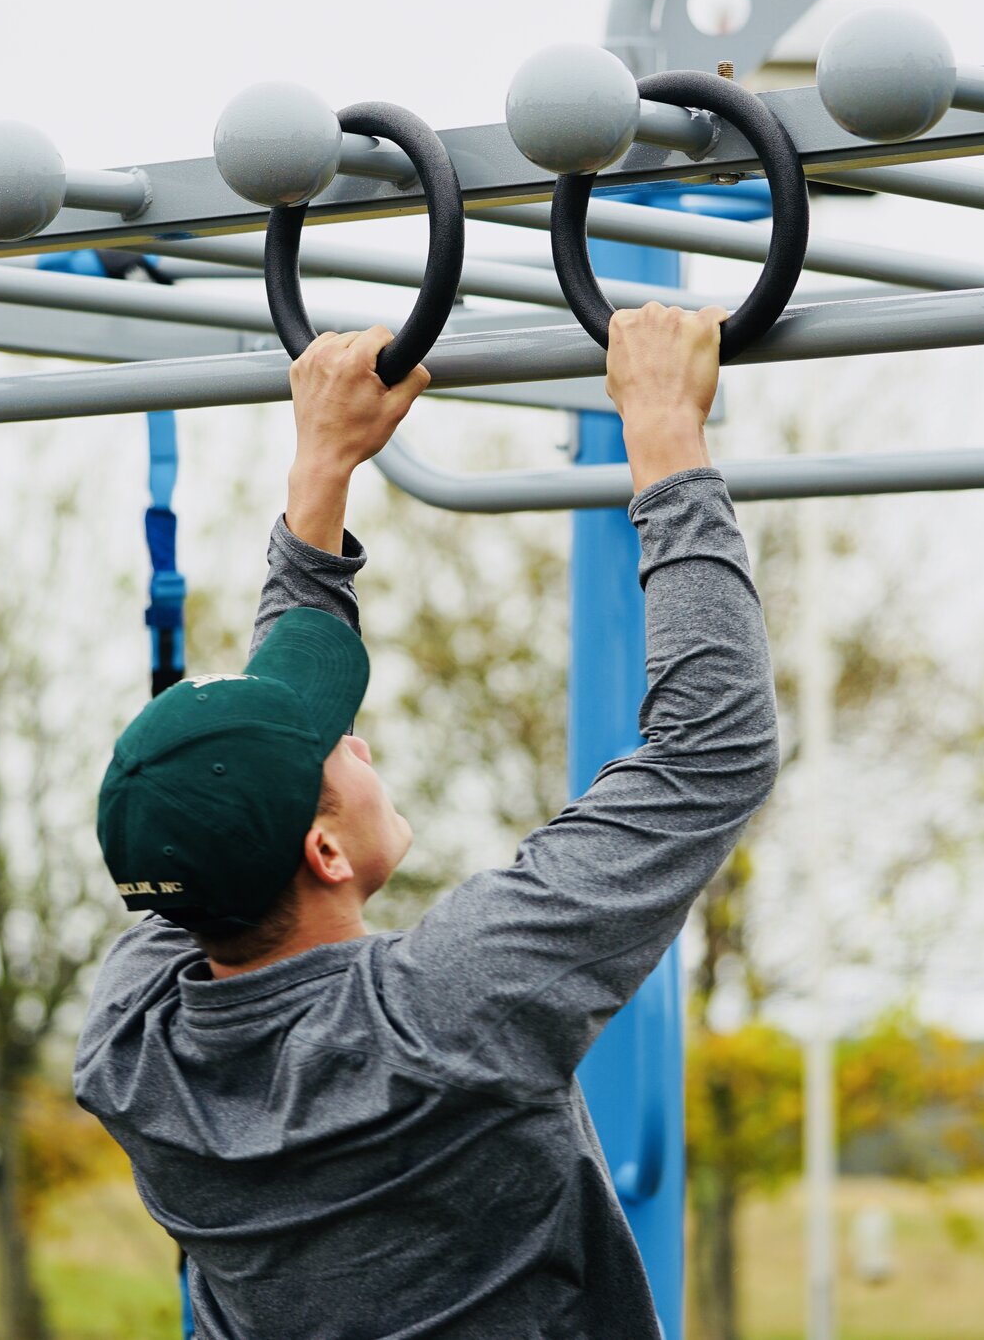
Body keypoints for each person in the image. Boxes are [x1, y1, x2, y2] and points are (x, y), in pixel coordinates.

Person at [75, 304, 779, 1340]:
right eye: (338, 744)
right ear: (320, 851)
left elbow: (231, 806)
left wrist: (322, 470)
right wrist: (666, 437)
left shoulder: (131, 1049)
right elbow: (709, 748)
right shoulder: (442, 1014)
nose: (358, 741)